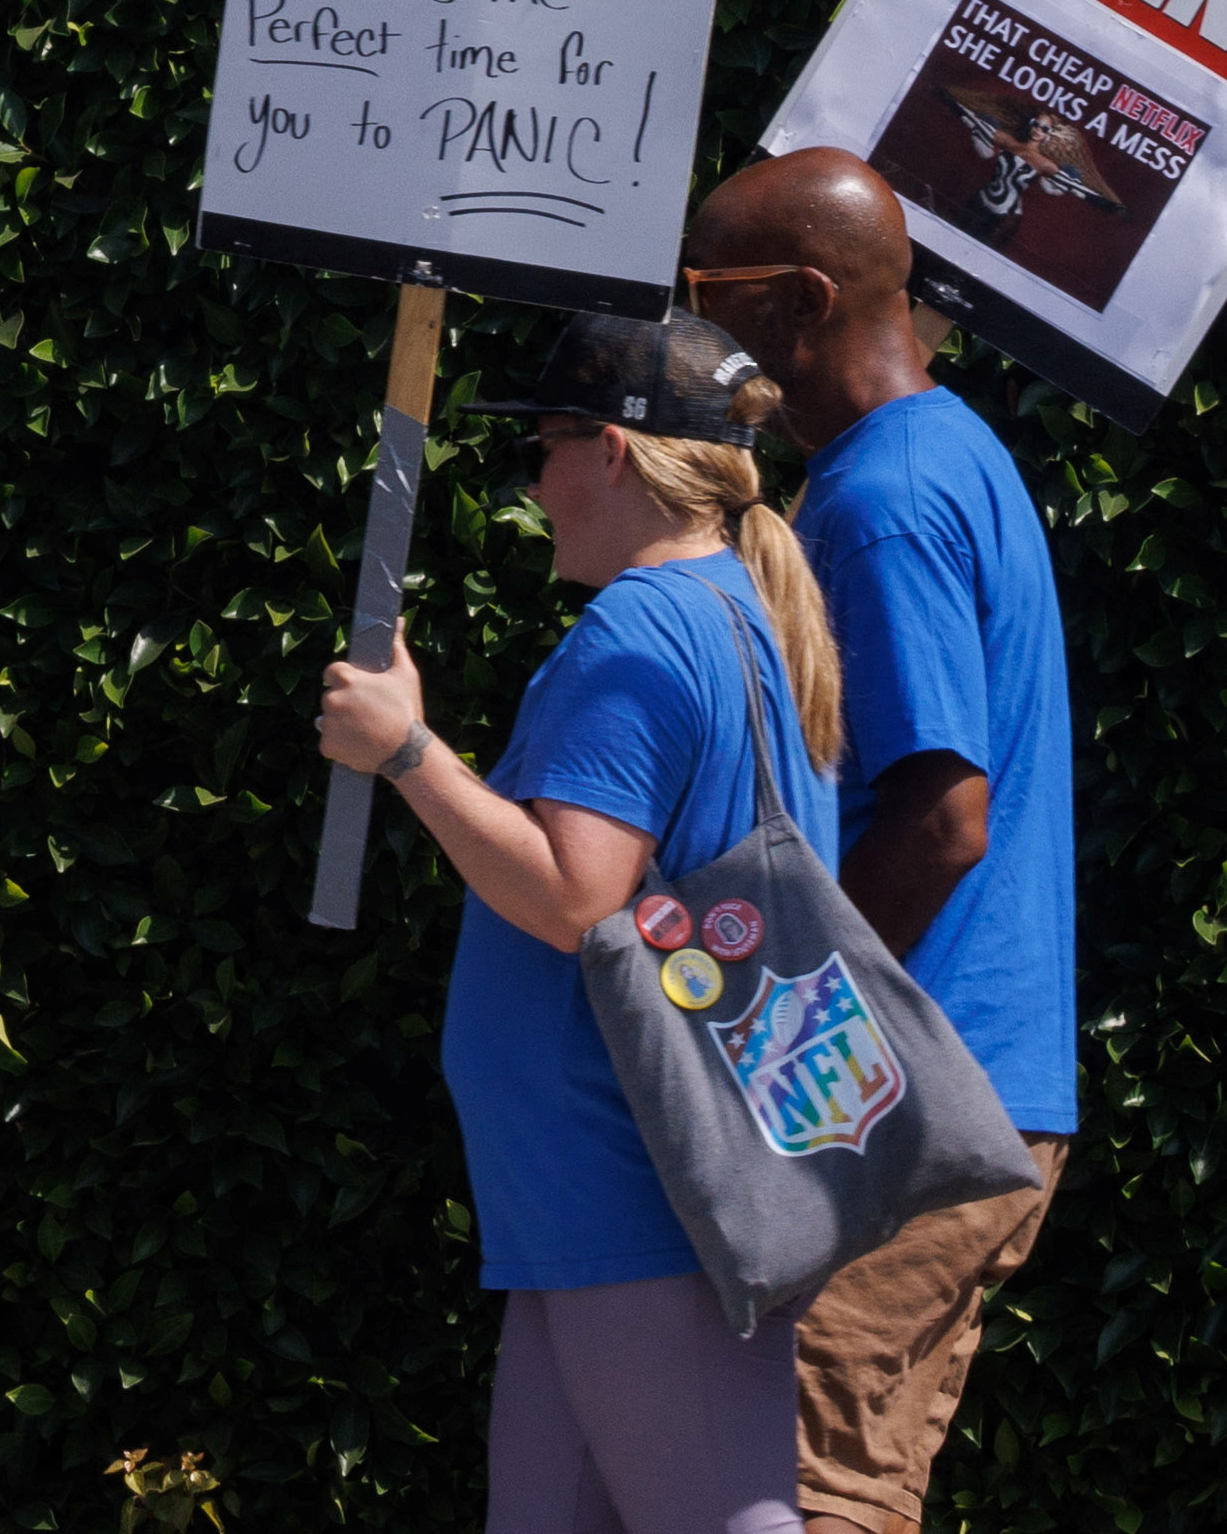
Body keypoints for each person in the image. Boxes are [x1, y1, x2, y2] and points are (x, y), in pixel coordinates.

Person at [316, 312, 849, 1534]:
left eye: (546, 447)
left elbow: (576, 897)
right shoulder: (734, 614)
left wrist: (404, 750)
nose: (534, 484)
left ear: (612, 453)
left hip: (631, 1188)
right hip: (599, 1196)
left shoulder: (636, 634)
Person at [668, 157, 1076, 1534]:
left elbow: (942, 814)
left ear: (803, 301)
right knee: (857, 1481)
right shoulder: (950, 451)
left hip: (899, 1095)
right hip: (975, 1087)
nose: (698, 344)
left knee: (799, 1481)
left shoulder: (878, 497)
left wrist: (788, 1020)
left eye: (709, 303)